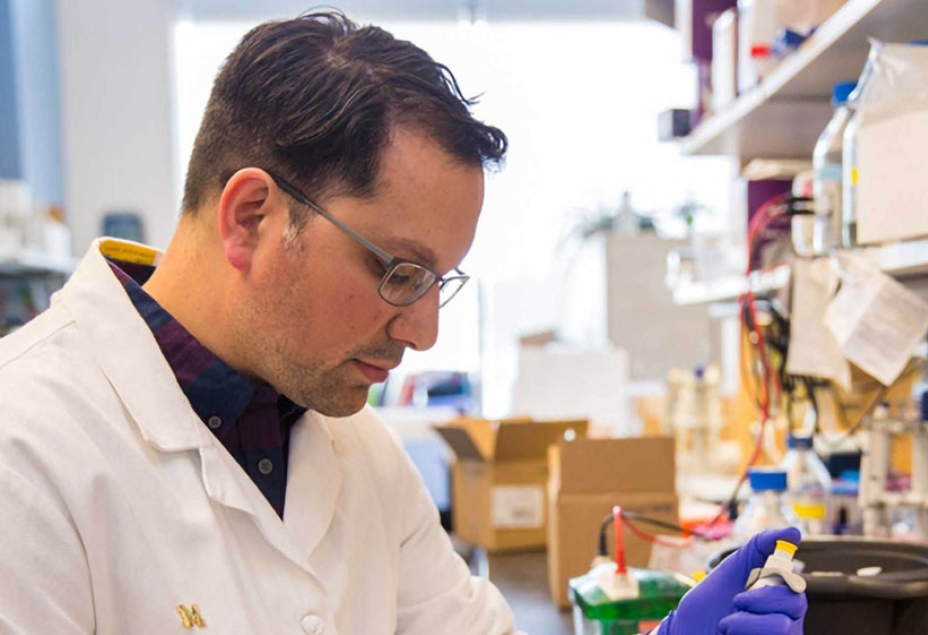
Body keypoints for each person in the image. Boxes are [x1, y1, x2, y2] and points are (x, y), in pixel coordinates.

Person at [0, 11, 805, 635]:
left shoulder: (356, 449)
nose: (424, 331)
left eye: (438, 281)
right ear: (250, 217)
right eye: (398, 271)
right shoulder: (29, 449)